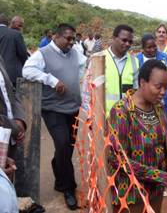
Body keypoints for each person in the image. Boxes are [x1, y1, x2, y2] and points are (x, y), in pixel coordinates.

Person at [108, 59, 167, 213]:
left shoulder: (158, 108)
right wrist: (162, 177)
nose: (163, 92)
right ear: (142, 82)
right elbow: (118, 159)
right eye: (158, 87)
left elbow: (165, 144)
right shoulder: (121, 111)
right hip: (131, 195)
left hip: (155, 191)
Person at [22, 23, 87, 210]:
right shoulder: (42, 54)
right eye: (67, 38)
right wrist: (51, 80)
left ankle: (59, 171)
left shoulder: (75, 52)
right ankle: (69, 188)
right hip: (53, 109)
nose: (71, 42)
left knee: (67, 147)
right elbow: (27, 71)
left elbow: (83, 69)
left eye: (73, 38)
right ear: (56, 37)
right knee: (63, 144)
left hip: (73, 108)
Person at [137, 34, 167, 124]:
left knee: (163, 126)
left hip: (166, 100)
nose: (152, 49)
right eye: (149, 47)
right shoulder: (136, 60)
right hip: (144, 102)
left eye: (154, 46)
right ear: (142, 48)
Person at [103, 24, 139, 116]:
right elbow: (87, 93)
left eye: (130, 42)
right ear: (114, 38)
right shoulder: (99, 59)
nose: (127, 44)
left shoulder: (135, 61)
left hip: (126, 119)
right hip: (104, 118)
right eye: (124, 40)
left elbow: (136, 91)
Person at [0, 14, 28, 86]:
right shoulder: (15, 34)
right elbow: (23, 54)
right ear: (9, 23)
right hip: (11, 74)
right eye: (20, 25)